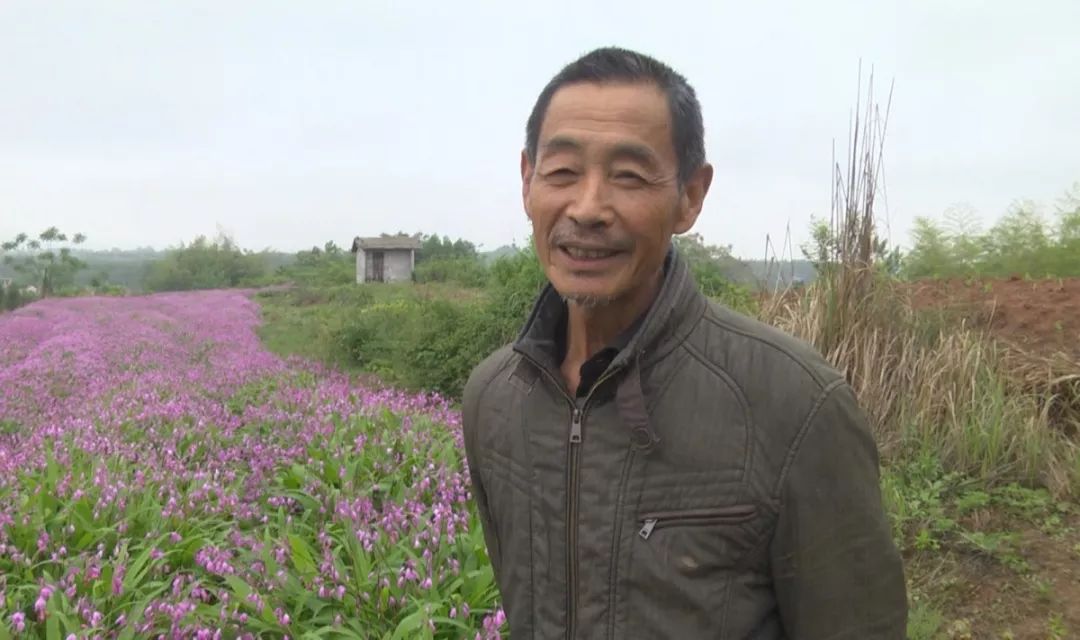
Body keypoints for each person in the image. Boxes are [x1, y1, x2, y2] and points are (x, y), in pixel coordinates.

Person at [461, 46, 907, 639]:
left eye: (628, 176)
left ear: (690, 197)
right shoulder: (494, 399)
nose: (588, 208)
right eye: (563, 171)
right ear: (527, 181)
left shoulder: (796, 406)